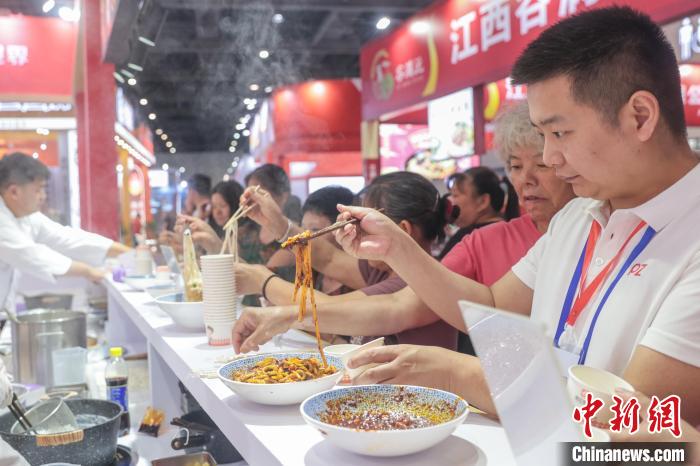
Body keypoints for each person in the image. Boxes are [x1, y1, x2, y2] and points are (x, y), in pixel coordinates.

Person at [332, 7, 700, 423]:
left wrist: (458, 373)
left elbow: (635, 425)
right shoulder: (579, 215)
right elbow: (492, 306)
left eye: (559, 133)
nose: (550, 158)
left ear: (640, 117)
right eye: (543, 136)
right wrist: (396, 247)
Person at [231, 101, 574, 377]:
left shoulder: (583, 231)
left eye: (541, 165)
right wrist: (280, 226)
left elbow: (396, 306)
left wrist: (266, 285)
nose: (526, 179)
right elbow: (385, 294)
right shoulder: (483, 241)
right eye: (515, 166)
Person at [234, 171, 459, 348]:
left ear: (403, 230)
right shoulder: (385, 267)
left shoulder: (412, 282)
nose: (354, 231)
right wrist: (277, 222)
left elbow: (326, 310)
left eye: (362, 223)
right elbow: (328, 258)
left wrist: (262, 280)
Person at [0, 153, 130, 314]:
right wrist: (89, 271)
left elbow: (66, 237)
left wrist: (123, 251)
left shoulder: (25, 216)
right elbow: (34, 256)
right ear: (14, 192)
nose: (43, 196)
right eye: (38, 190)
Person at [439, 166, 520, 260]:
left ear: (483, 202)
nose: (450, 201)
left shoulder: (468, 237)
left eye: (455, 195)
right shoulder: (512, 232)